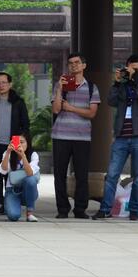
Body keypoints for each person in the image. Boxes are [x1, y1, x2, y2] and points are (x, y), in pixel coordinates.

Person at [93, 54, 138, 221]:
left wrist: (136, 80)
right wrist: (117, 82)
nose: (133, 72)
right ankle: (105, 208)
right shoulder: (122, 85)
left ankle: (135, 210)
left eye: (136, 69)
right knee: (112, 174)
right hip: (121, 136)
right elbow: (111, 101)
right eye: (131, 68)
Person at [51, 53, 100, 219]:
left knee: (81, 174)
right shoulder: (61, 86)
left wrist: (71, 108)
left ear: (84, 65)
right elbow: (56, 109)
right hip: (61, 135)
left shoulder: (92, 87)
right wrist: (59, 89)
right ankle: (62, 209)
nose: (74, 65)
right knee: (59, 174)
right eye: (71, 63)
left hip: (82, 137)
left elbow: (92, 113)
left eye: (77, 62)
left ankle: (80, 209)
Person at [0, 71, 30, 216]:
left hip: (13, 144)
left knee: (11, 175)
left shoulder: (18, 102)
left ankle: (12, 201)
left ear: (10, 84)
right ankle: (0, 203)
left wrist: (21, 143)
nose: (1, 85)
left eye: (4, 82)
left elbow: (25, 125)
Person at [0, 132, 41, 222]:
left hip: (28, 190)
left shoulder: (33, 155)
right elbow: (3, 170)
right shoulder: (8, 153)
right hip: (12, 190)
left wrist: (23, 156)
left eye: (22, 142)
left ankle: (30, 213)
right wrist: (8, 152)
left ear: (28, 143)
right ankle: (14, 206)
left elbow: (30, 173)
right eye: (17, 142)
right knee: (13, 216)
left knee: (31, 180)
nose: (19, 145)